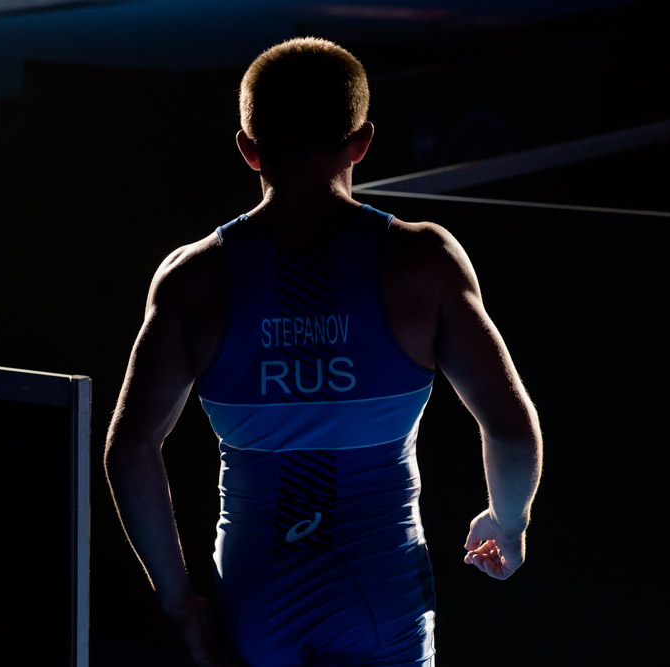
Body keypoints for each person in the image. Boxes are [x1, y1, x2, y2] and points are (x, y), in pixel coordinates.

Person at [104, 37, 542, 667]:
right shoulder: (423, 262)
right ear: (362, 142)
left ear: (249, 149)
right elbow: (510, 427)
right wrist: (509, 521)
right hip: (383, 590)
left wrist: (179, 603)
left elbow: (129, 450)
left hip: (256, 593)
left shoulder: (192, 280)